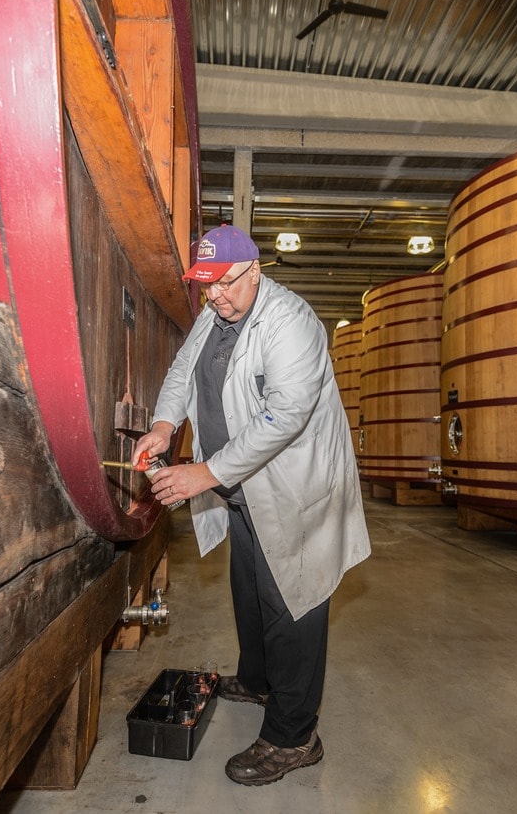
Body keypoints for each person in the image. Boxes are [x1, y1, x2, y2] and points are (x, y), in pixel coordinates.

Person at [131, 224, 370, 786]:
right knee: (250, 592)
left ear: (256, 270)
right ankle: (258, 680)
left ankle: (294, 737)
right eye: (205, 285)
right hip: (244, 490)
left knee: (293, 603)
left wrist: (204, 473)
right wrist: (165, 427)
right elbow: (182, 373)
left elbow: (285, 417)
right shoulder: (216, 314)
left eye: (225, 284)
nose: (214, 296)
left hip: (296, 490)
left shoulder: (292, 324)